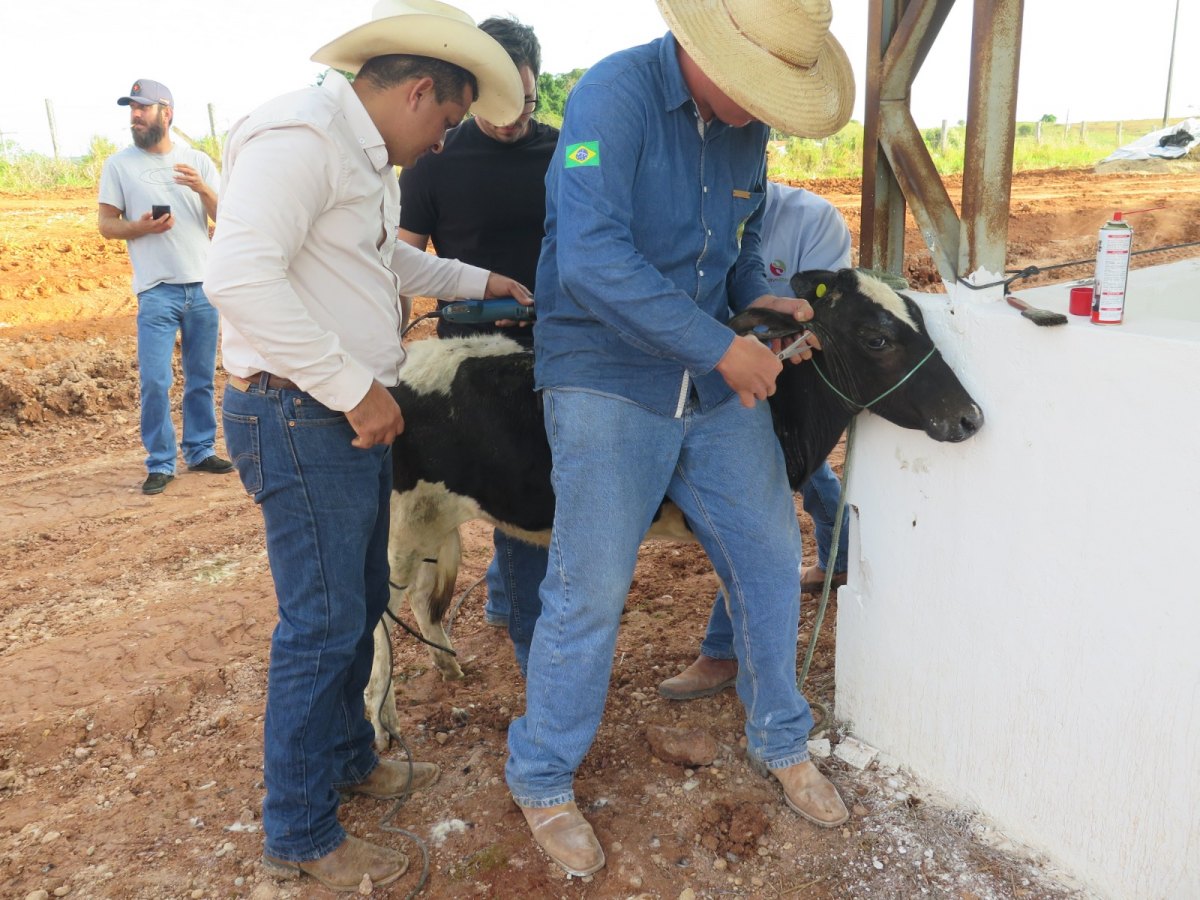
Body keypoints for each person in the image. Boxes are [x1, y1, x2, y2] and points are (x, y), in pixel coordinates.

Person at [505, 0, 855, 877]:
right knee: (591, 585)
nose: (768, 111)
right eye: (762, 91)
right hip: (603, 372)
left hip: (707, 373)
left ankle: (781, 737)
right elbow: (590, 259)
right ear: (712, 55)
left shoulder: (745, 132)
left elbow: (727, 249)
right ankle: (542, 776)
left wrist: (756, 298)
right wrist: (720, 347)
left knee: (773, 554)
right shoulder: (610, 99)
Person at [204, 1, 528, 891]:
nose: (442, 144)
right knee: (320, 626)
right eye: (448, 122)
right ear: (420, 90)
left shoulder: (362, 154)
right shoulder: (302, 137)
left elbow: (380, 263)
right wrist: (357, 388)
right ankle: (300, 834)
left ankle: (347, 759)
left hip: (334, 416)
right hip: (302, 415)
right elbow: (235, 276)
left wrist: (482, 279)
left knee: (352, 604)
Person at [397, 15, 556, 668]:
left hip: (552, 357)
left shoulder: (567, 154)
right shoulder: (434, 161)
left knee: (530, 501)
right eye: (502, 98)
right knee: (513, 499)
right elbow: (399, 265)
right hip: (469, 378)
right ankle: (530, 640)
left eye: (530, 98)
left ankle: (505, 600)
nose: (516, 115)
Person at [658, 180, 853, 701]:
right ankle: (840, 554)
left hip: (793, 372)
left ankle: (724, 652)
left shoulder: (815, 219)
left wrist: (762, 336)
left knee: (772, 499)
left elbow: (825, 312)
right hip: (715, 371)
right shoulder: (697, 205)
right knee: (786, 487)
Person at [98, 79, 232, 495]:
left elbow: (226, 218)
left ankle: (199, 449)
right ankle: (160, 461)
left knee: (201, 378)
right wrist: (139, 227)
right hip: (156, 290)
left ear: (166, 113)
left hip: (203, 286)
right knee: (155, 380)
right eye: (131, 109)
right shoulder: (118, 165)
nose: (135, 116)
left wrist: (203, 188)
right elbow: (106, 225)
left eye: (142, 108)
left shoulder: (197, 160)